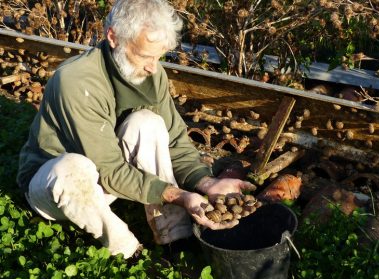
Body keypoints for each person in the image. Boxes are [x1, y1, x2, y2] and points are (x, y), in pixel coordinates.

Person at [17, 0, 255, 259]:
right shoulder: (77, 81)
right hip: (56, 188)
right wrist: (180, 195)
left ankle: (175, 238)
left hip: (107, 177)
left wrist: (207, 182)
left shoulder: (152, 73)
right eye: (144, 56)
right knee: (72, 169)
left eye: (159, 56)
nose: (153, 67)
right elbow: (110, 169)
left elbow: (174, 140)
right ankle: (129, 253)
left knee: (148, 122)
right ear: (114, 37)